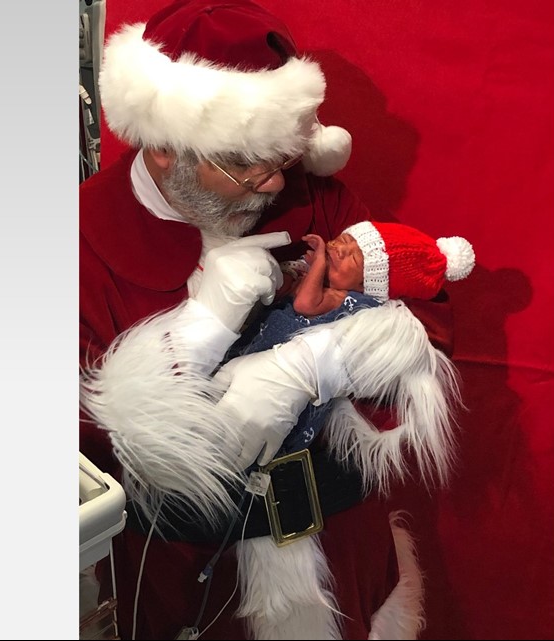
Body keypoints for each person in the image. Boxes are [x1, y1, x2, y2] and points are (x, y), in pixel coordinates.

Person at [78, 1, 460, 638]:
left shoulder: (319, 197)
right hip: (184, 575)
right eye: (246, 165)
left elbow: (426, 320)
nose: (276, 185)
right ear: (167, 148)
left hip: (337, 553)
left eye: (283, 157)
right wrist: (197, 333)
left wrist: (313, 364)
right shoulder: (79, 237)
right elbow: (81, 445)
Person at [227, 223, 475, 459]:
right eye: (344, 239)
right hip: (252, 354)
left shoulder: (351, 301)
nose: (340, 249)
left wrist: (321, 260)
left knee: (244, 439)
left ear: (365, 285)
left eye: (354, 258)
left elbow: (304, 303)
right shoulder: (331, 282)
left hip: (279, 385)